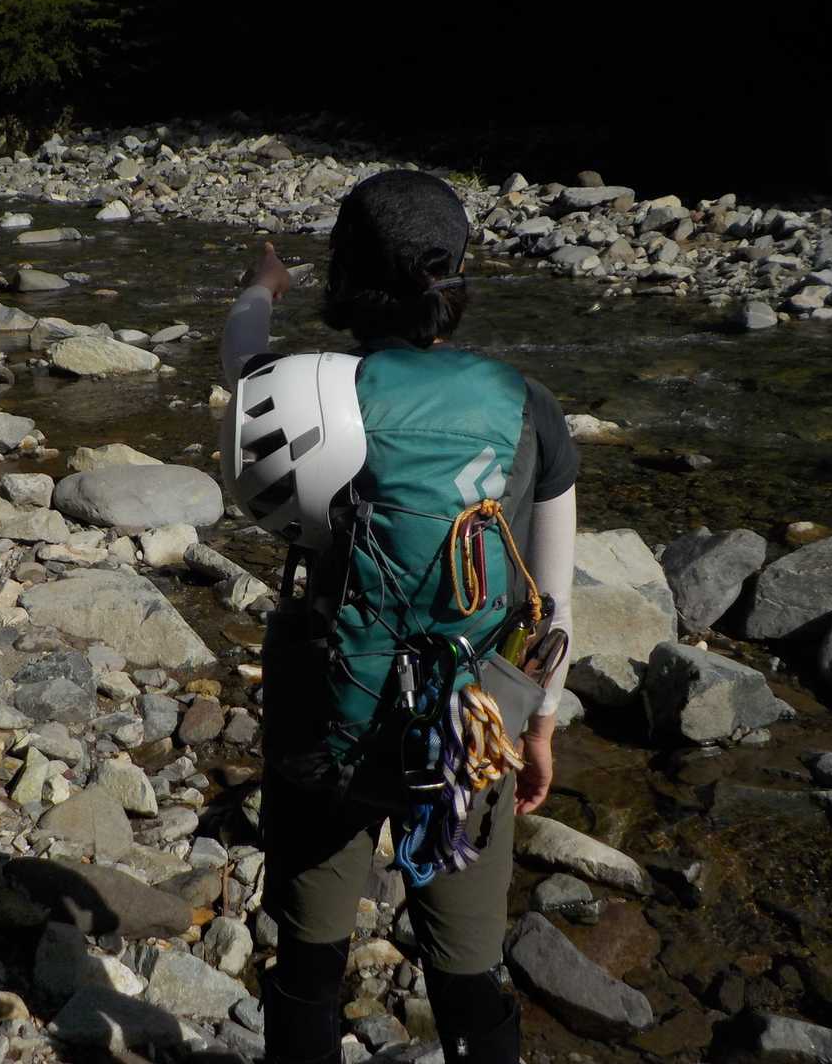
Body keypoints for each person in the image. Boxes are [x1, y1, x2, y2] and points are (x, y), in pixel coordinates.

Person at [218, 170, 579, 1063]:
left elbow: (240, 350)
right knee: (469, 974)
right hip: (470, 730)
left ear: (348, 278)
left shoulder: (303, 390)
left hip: (327, 724)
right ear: (455, 279)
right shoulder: (529, 406)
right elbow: (551, 602)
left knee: (308, 959)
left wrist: (263, 285)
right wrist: (540, 726)